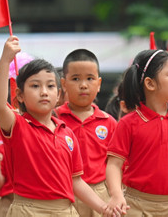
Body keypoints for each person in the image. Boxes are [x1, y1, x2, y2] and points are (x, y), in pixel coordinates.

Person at [0, 36, 121, 217]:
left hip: (65, 211)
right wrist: (5, 60)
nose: (44, 92)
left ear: (59, 93)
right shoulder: (18, 125)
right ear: (20, 95)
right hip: (28, 210)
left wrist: (104, 208)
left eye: (50, 86)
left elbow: (76, 182)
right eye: (35, 86)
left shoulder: (66, 133)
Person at [105, 49, 168, 216]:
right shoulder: (128, 123)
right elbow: (114, 164)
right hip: (137, 206)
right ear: (150, 84)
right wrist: (116, 194)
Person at [55, 49, 117, 217]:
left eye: (90, 78)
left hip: (101, 193)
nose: (83, 85)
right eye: (75, 79)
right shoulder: (53, 119)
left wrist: (116, 195)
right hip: (65, 193)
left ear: (99, 83)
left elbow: (116, 164)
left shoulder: (109, 122)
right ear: (64, 84)